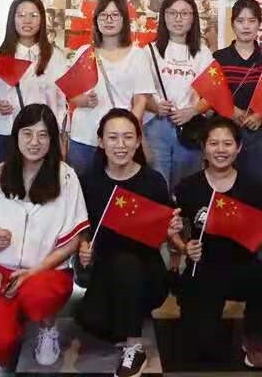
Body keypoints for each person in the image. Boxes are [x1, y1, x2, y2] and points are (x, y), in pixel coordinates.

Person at [0, 104, 90, 368]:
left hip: (48, 272)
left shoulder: (66, 177)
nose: (34, 142)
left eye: (43, 135)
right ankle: (14, 323)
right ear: (16, 135)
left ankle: (47, 326)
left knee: (37, 296)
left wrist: (33, 272)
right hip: (3, 271)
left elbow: (74, 240)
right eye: (27, 133)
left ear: (52, 140)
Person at [76, 109, 181, 377]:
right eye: (113, 137)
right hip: (105, 270)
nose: (120, 145)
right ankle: (125, 317)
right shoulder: (89, 182)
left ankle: (135, 347)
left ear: (138, 141)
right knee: (91, 321)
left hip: (148, 272)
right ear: (101, 141)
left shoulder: (153, 181)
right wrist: (84, 248)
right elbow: (82, 230)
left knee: (127, 264)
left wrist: (172, 230)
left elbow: (165, 230)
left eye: (128, 137)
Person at [171, 116, 262, 369]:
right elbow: (172, 230)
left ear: (238, 148)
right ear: (204, 148)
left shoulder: (251, 185)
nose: (220, 150)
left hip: (242, 265)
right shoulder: (188, 186)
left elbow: (259, 236)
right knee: (205, 350)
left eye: (227, 144)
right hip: (203, 268)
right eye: (214, 143)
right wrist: (183, 247)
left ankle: (252, 336)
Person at [66, 0, 154, 178]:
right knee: (81, 190)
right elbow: (71, 94)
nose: (109, 20)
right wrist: (84, 100)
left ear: (124, 20)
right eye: (103, 15)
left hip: (119, 142)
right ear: (96, 20)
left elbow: (140, 100)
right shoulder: (84, 52)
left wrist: (126, 130)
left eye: (114, 15)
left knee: (118, 190)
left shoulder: (137, 55)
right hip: (84, 137)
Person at [0, 0, 68, 167]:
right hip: (6, 133)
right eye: (21, 15)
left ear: (42, 20)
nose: (27, 20)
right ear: (12, 19)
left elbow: (61, 101)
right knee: (3, 181)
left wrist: (60, 135)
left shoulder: (55, 57)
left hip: (42, 137)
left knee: (43, 182)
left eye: (33, 15)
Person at [212, 0, 262, 198]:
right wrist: (232, 111)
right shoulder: (219, 58)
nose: (246, 26)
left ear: (259, 24)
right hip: (225, 136)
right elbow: (211, 95)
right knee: (225, 194)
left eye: (251, 21)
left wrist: (259, 115)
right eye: (240, 21)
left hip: (260, 136)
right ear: (232, 24)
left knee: (260, 193)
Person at [142, 0, 213, 189]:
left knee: (187, 188)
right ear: (164, 16)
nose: (178, 19)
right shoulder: (149, 50)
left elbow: (213, 94)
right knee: (158, 186)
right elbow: (139, 93)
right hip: (156, 127)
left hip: (189, 129)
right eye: (172, 13)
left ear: (193, 17)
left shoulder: (203, 53)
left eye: (184, 13)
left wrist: (193, 110)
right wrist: (155, 107)